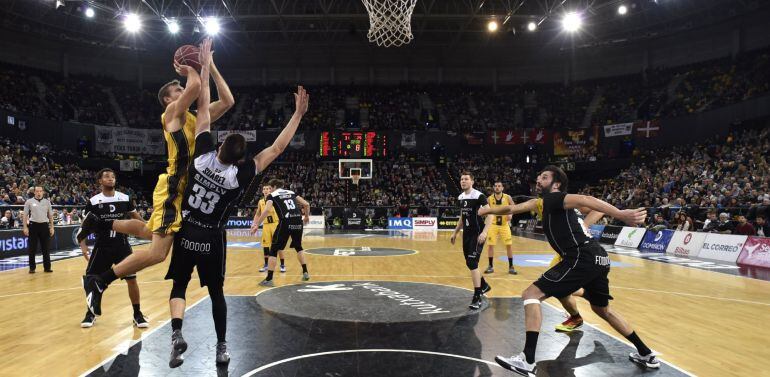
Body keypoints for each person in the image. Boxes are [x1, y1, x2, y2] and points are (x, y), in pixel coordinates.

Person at [165, 52, 309, 368]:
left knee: (178, 285)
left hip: (187, 229)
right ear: (241, 159)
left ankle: (176, 333)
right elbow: (277, 148)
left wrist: (204, 67)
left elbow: (203, 108)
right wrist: (297, 115)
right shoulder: (240, 177)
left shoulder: (201, 157)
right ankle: (221, 347)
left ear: (218, 147)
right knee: (216, 293)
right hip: (212, 238)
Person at [79, 38, 234, 316]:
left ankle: (101, 220)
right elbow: (197, 87)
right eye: (177, 88)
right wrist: (191, 68)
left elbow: (227, 100)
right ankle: (98, 281)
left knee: (150, 232)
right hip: (175, 185)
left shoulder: (195, 117)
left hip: (185, 189)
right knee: (158, 253)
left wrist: (210, 64)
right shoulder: (171, 114)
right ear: (168, 98)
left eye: (181, 85)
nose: (182, 87)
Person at [483, 166, 658, 376]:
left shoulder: (556, 198)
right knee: (603, 310)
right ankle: (646, 353)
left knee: (531, 294)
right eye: (538, 177)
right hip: (599, 257)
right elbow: (512, 209)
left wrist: (620, 214)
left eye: (544, 177)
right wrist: (487, 210)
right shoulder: (542, 203)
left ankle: (527, 360)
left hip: (580, 256)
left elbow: (587, 199)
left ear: (556, 184)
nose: (539, 180)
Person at [80, 168, 148, 329]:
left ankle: (137, 314)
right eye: (106, 177)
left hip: (121, 244)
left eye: (113, 177)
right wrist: (83, 246)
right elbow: (84, 226)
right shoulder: (94, 201)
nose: (110, 179)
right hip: (102, 245)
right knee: (92, 279)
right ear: (100, 181)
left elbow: (136, 218)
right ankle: (90, 313)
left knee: (132, 279)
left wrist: (150, 229)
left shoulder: (124, 198)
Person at [252, 179, 311, 287]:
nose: (269, 190)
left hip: (285, 221)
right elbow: (306, 204)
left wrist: (257, 224)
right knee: (298, 247)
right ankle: (305, 272)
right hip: (298, 221)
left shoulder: (272, 195)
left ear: (274, 187)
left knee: (273, 250)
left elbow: (266, 210)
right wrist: (306, 216)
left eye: (270, 188)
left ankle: (269, 279)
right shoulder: (291, 192)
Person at [450, 172, 493, 310]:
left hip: (477, 234)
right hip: (467, 234)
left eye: (466, 179)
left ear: (472, 181)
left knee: (472, 262)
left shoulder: (478, 196)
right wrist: (455, 232)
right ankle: (484, 285)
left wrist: (485, 232)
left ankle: (477, 296)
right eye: (461, 179)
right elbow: (463, 216)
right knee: (470, 264)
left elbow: (490, 214)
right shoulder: (461, 197)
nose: (463, 181)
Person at [484, 182, 517, 275]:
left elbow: (514, 207)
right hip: (493, 225)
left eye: (499, 186)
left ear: (502, 188)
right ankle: (490, 266)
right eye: (495, 186)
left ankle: (511, 266)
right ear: (493, 188)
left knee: (509, 245)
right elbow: (485, 210)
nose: (497, 188)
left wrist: (510, 214)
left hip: (504, 225)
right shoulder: (489, 199)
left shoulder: (507, 197)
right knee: (490, 245)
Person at [254, 184, 286, 273]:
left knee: (279, 246)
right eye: (264, 189)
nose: (265, 190)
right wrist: (254, 223)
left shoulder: (275, 199)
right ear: (262, 191)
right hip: (266, 225)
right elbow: (257, 214)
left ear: (270, 190)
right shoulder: (260, 202)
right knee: (265, 246)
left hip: (275, 224)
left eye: (267, 189)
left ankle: (282, 265)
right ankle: (266, 265)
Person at [23, 187, 54, 273]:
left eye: (40, 191)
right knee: (32, 248)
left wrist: (52, 227)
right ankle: (32, 268)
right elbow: (25, 215)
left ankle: (47, 267)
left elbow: (50, 215)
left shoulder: (47, 202)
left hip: (44, 226)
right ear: (34, 192)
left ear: (43, 192)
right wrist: (25, 227)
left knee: (46, 248)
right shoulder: (29, 202)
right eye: (37, 191)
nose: (39, 193)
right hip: (33, 226)